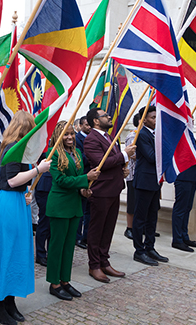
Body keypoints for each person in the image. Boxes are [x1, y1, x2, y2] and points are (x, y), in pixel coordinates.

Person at [0, 111, 50, 325]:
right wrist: (37, 170)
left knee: (18, 253)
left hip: (18, 203)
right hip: (8, 203)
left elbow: (20, 183)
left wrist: (29, 189)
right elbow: (12, 180)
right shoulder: (12, 148)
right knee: (6, 252)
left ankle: (10, 300)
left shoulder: (20, 149)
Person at [46, 121, 99, 300]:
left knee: (69, 247)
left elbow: (76, 179)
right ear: (58, 136)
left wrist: (84, 189)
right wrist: (86, 178)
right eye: (66, 134)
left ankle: (65, 281)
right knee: (57, 246)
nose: (69, 137)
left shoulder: (77, 153)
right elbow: (60, 180)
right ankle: (54, 283)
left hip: (74, 205)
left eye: (71, 133)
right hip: (59, 205)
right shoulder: (52, 154)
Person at [83, 107, 134, 283]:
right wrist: (124, 155)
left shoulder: (109, 137)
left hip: (114, 188)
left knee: (109, 228)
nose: (109, 116)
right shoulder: (91, 139)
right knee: (97, 229)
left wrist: (122, 170)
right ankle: (94, 265)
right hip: (101, 190)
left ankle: (104, 261)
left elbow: (113, 161)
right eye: (105, 115)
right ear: (96, 121)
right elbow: (100, 163)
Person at [132, 106, 167, 266]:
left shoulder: (155, 134)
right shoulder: (141, 134)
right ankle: (139, 251)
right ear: (144, 119)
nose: (155, 120)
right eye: (152, 117)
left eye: (156, 117)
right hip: (144, 181)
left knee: (152, 216)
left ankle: (150, 247)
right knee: (140, 218)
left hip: (155, 182)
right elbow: (152, 157)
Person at [172, 131, 196, 252]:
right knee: (180, 209)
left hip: (192, 176)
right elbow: (184, 156)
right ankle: (177, 239)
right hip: (183, 176)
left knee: (187, 208)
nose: (191, 120)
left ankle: (184, 236)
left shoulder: (189, 133)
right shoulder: (179, 133)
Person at [74, 115, 92, 249]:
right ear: (80, 126)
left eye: (90, 124)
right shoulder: (76, 139)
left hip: (93, 178)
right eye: (86, 125)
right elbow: (80, 159)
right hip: (82, 176)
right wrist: (95, 156)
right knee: (80, 209)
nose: (89, 127)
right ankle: (77, 237)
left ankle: (86, 236)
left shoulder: (93, 138)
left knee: (89, 211)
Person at [123, 115, 140, 240]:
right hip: (133, 174)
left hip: (142, 175)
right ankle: (129, 228)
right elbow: (132, 155)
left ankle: (140, 227)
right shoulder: (132, 136)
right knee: (132, 202)